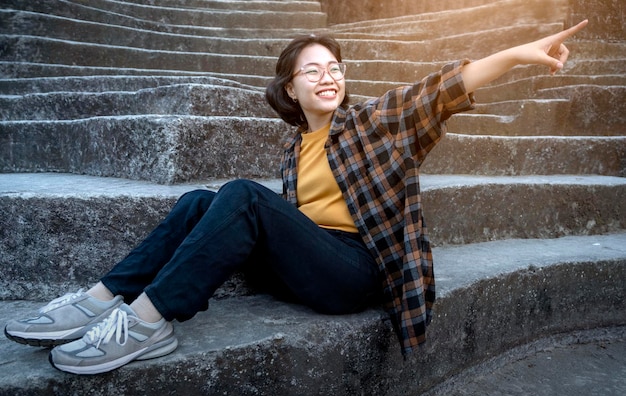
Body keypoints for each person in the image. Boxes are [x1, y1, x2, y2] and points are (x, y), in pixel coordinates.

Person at [4, 20, 588, 374]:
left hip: (354, 271)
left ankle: (148, 322)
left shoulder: (372, 124)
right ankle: (101, 300)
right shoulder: (295, 150)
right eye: (314, 70)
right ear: (291, 86)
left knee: (241, 195)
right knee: (198, 203)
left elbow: (436, 91)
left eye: (335, 67)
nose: (329, 76)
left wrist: (515, 55)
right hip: (309, 261)